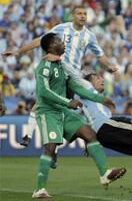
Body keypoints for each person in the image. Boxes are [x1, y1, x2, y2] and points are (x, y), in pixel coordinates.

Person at [2, 6, 118, 152]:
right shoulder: (61, 29)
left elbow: (99, 54)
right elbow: (40, 41)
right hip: (57, 73)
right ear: (72, 16)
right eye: (79, 13)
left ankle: (55, 145)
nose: (83, 16)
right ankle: (29, 136)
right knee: (42, 104)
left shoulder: (89, 36)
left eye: (85, 14)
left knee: (62, 109)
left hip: (72, 77)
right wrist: (18, 52)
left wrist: (110, 65)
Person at [32, 33, 126, 199]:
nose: (62, 43)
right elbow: (43, 92)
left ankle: (104, 174)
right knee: (50, 147)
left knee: (89, 133)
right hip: (48, 112)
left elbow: (78, 87)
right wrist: (68, 102)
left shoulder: (62, 66)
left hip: (63, 111)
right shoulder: (44, 67)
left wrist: (102, 98)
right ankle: (39, 189)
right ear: (51, 46)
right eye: (58, 40)